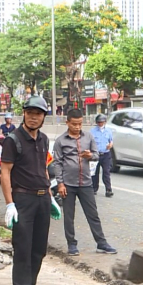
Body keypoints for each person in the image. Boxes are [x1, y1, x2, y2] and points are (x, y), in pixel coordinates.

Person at [0, 95, 62, 285]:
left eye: (38, 114)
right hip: (23, 200)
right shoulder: (13, 140)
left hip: (42, 198)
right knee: (23, 249)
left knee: (39, 248)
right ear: (24, 114)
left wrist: (49, 194)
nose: (34, 117)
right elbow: (5, 172)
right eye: (30, 113)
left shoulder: (44, 139)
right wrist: (10, 204)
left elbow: (43, 167)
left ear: (44, 116)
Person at [52, 109, 118, 257]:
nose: (77, 127)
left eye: (80, 124)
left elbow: (96, 155)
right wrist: (60, 184)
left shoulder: (88, 137)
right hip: (68, 184)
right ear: (67, 122)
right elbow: (58, 163)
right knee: (69, 216)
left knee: (93, 215)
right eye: (74, 124)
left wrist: (90, 156)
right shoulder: (60, 141)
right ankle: (72, 244)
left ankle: (101, 243)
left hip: (86, 183)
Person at [90, 114, 114, 197]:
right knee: (95, 173)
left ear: (105, 122)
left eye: (102, 122)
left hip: (106, 154)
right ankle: (94, 189)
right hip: (96, 154)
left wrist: (110, 145)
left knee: (106, 172)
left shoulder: (108, 131)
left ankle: (108, 189)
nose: (100, 124)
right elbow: (90, 142)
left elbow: (111, 141)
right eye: (99, 122)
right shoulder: (92, 131)